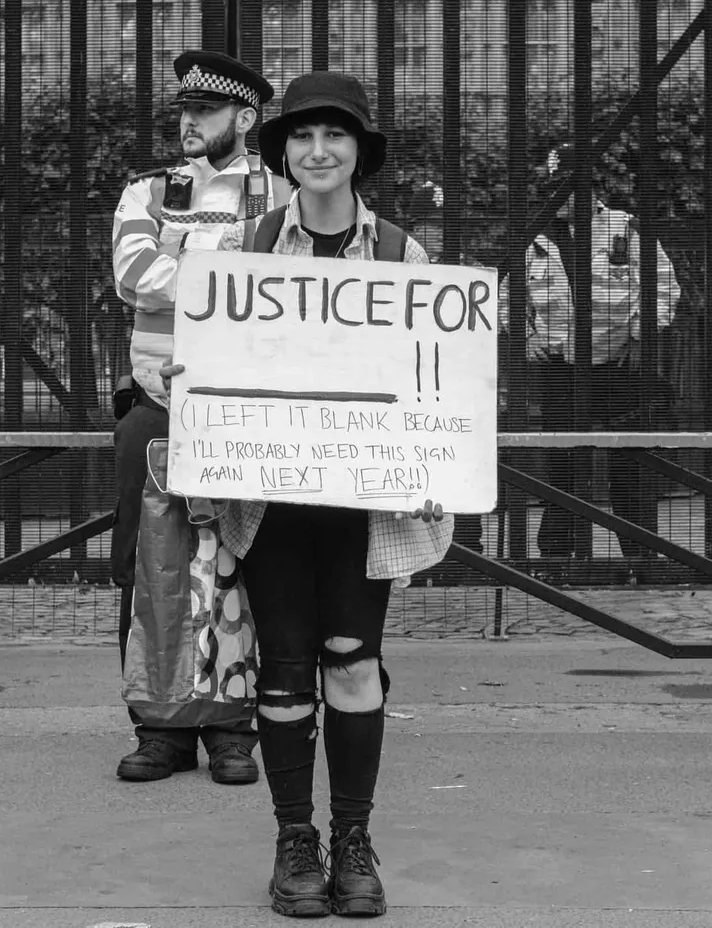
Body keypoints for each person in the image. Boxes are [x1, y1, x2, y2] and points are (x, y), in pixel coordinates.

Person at [163, 72, 455, 917]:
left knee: (354, 665)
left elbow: (439, 384)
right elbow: (210, 365)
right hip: (270, 503)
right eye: (301, 137)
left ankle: (354, 838)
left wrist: (443, 459)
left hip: (365, 508)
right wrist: (195, 384)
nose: (317, 151)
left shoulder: (406, 257)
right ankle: (298, 841)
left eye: (334, 135)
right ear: (282, 152)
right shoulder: (243, 249)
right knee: (286, 677)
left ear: (360, 150)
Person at [110, 50, 293, 784]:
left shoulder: (282, 190)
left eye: (206, 112)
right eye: (184, 111)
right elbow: (133, 278)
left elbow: (296, 286)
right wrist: (236, 270)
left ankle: (231, 725)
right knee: (148, 566)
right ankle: (159, 726)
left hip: (252, 413)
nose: (188, 122)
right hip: (158, 408)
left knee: (245, 563)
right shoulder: (145, 191)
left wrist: (187, 258)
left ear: (245, 120)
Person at [516, 144, 681, 560]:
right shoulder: (534, 237)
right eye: (556, 189)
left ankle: (640, 557)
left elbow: (663, 283)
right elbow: (506, 296)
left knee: (628, 467)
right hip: (560, 369)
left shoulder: (626, 229)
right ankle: (558, 558)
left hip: (618, 366)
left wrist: (644, 332)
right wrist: (524, 335)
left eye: (569, 188)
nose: (562, 198)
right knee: (562, 470)